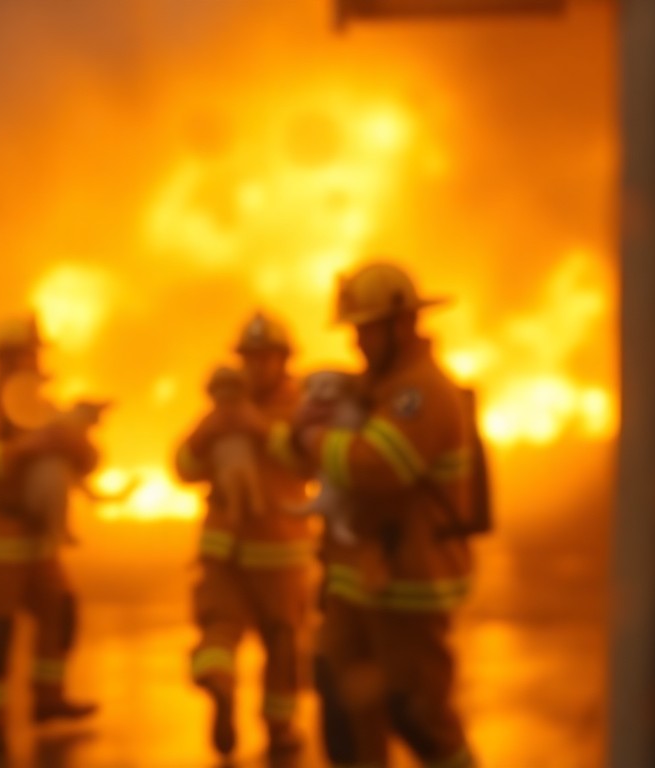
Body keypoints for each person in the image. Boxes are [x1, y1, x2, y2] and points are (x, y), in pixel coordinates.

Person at [280, 262, 478, 768]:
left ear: (401, 324)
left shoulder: (421, 393)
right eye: (354, 329)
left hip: (410, 582)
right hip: (356, 580)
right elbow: (300, 452)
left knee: (417, 714)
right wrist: (298, 432)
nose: (356, 342)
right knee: (342, 694)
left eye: (365, 329)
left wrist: (313, 438)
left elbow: (378, 465)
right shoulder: (371, 387)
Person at [0, 311, 100, 757]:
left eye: (36, 353)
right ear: (7, 359)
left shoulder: (42, 406)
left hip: (37, 540)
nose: (36, 362)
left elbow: (87, 461)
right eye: (29, 354)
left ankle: (48, 701)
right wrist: (25, 448)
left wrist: (75, 439)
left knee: (61, 609)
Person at [174, 310, 314, 758]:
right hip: (227, 551)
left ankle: (278, 727)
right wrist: (207, 434)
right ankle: (221, 690)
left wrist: (263, 430)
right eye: (249, 358)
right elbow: (184, 468)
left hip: (277, 549)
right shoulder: (222, 409)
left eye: (264, 357)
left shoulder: (299, 408)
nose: (255, 366)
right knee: (220, 629)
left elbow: (311, 464)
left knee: (283, 643)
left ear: (283, 360)